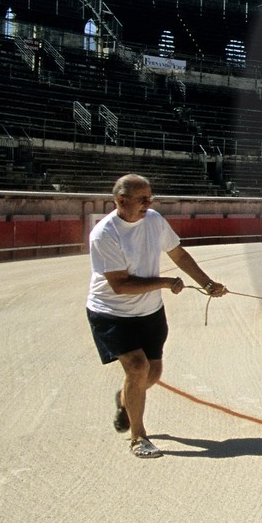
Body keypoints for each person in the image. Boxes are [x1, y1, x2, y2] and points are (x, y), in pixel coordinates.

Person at [86, 174, 227, 458]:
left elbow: (179, 254)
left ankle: (126, 397)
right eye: (142, 199)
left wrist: (207, 283)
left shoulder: (153, 220)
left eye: (150, 198)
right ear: (120, 200)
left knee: (153, 373)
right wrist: (165, 283)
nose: (148, 204)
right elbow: (120, 285)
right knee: (137, 368)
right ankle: (138, 437)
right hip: (112, 312)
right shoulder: (104, 234)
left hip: (149, 311)